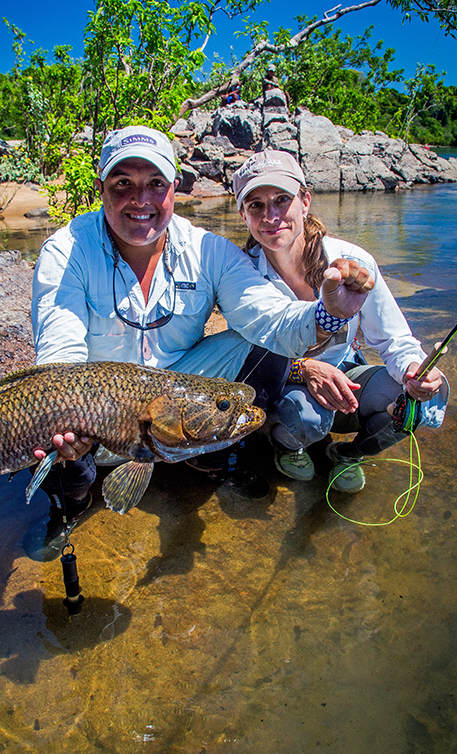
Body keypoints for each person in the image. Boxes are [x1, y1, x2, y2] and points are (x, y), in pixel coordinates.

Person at [30, 126, 374, 547]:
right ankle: (74, 501)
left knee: (258, 342)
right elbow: (59, 357)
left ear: (175, 188)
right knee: (51, 433)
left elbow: (274, 319)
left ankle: (210, 459)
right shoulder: (66, 250)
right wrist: (69, 421)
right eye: (123, 184)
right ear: (101, 188)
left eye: (155, 184)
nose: (140, 199)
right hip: (96, 412)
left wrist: (330, 313)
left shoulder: (208, 250)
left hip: (176, 390)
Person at [232, 149, 449, 493]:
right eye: (255, 205)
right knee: (305, 417)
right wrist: (305, 370)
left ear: (305, 201)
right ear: (243, 215)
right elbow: (243, 358)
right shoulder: (238, 273)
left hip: (346, 371)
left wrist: (414, 370)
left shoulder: (355, 261)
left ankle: (349, 452)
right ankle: (289, 443)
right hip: (282, 384)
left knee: (416, 401)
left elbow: (394, 341)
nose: (271, 215)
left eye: (281, 199)